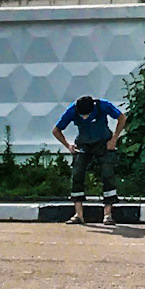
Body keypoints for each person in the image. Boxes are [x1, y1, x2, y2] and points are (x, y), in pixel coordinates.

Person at [51, 93, 124, 224]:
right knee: (77, 173)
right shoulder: (72, 110)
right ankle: (78, 214)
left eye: (87, 115)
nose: (84, 118)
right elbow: (56, 130)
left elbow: (122, 118)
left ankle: (107, 214)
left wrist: (114, 139)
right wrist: (68, 145)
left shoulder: (103, 105)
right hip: (83, 144)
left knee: (108, 173)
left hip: (103, 143)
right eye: (81, 116)